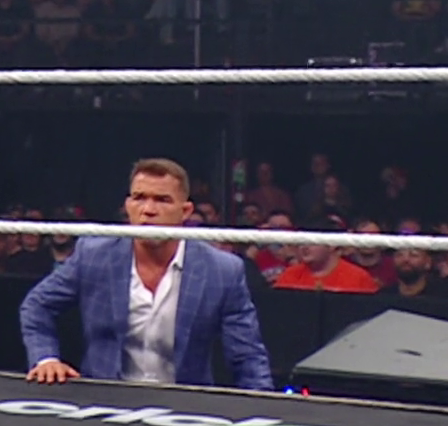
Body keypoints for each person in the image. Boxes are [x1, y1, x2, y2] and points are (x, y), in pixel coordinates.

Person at [20, 159, 273, 391]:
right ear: (128, 205)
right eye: (139, 198)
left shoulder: (221, 270)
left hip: (185, 404)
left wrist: (263, 410)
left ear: (185, 211)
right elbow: (37, 305)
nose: (148, 209)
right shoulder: (94, 255)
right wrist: (46, 358)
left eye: (162, 200)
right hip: (104, 397)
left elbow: (247, 356)